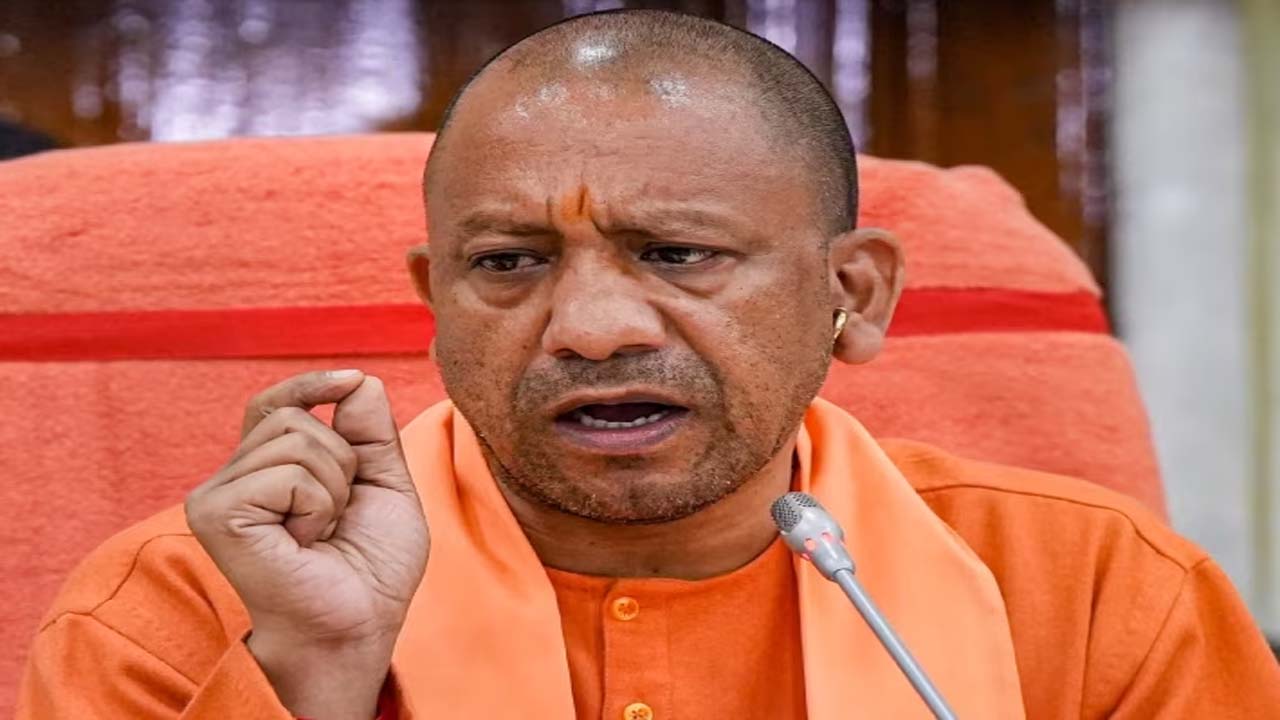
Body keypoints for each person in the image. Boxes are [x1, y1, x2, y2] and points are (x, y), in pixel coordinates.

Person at [17, 10, 1280, 720]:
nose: (591, 329)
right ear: (435, 301)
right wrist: (310, 673)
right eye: (508, 263)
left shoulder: (1099, 595)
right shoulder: (189, 601)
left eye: (676, 253)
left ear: (850, 294)